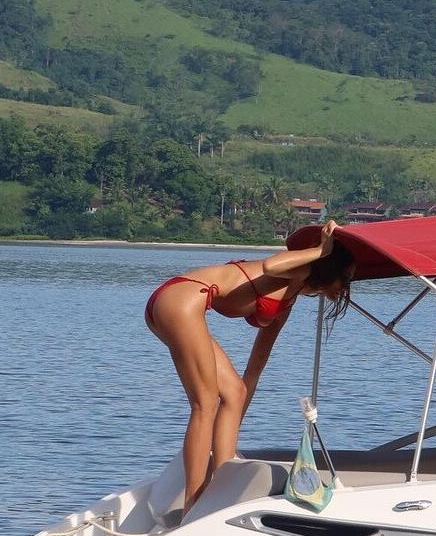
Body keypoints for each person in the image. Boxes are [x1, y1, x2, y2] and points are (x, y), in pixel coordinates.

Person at [144, 219, 355, 516]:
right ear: (328, 267)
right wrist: (321, 249)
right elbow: (270, 266)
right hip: (183, 298)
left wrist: (231, 427)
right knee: (205, 403)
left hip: (178, 304)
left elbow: (254, 370)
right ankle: (194, 504)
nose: (345, 288)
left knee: (235, 391)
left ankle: (223, 481)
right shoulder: (299, 268)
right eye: (344, 279)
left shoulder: (288, 301)